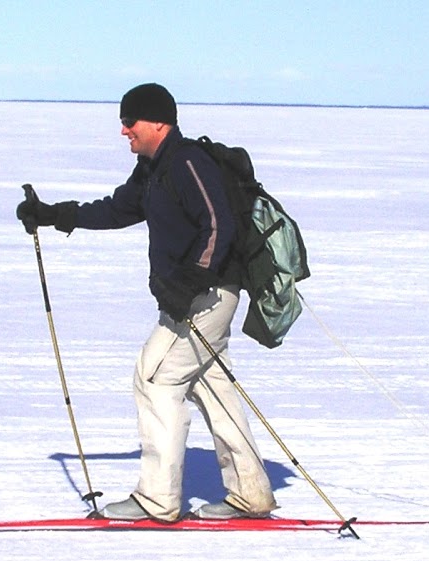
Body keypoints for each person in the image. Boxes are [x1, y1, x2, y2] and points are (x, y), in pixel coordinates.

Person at [15, 83, 278, 522]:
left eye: (130, 121)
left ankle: (157, 500)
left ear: (158, 121)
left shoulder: (188, 161)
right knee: (213, 389)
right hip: (194, 298)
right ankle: (250, 493)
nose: (124, 131)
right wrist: (54, 214)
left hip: (205, 297)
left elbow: (218, 224)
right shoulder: (153, 168)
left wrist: (189, 282)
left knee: (154, 380)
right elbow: (117, 210)